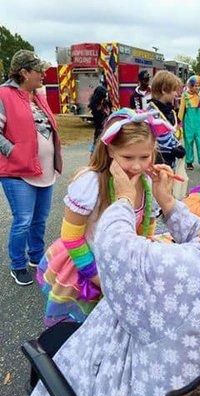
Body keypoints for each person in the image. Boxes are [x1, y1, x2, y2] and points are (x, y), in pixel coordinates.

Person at [30, 177, 200, 396]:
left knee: (53, 341)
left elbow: (117, 251)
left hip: (136, 384)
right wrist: (168, 203)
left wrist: (124, 198)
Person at [36, 108, 170, 326]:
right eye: (127, 157)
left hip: (121, 267)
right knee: (80, 326)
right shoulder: (91, 183)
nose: (137, 166)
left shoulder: (147, 184)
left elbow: (147, 229)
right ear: (110, 151)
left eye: (145, 157)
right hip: (87, 266)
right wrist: (100, 279)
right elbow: (71, 238)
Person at [0, 50, 62, 286]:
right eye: (39, 70)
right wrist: (12, 151)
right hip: (17, 171)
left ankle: (36, 257)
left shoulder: (38, 96)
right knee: (23, 219)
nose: (44, 74)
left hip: (43, 170)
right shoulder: (4, 94)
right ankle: (18, 264)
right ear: (24, 72)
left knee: (40, 218)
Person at [147, 70, 186, 169]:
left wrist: (178, 145)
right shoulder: (152, 112)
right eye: (174, 90)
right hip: (158, 162)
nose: (176, 94)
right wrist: (172, 150)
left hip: (170, 161)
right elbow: (154, 140)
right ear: (164, 90)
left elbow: (171, 135)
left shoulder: (169, 111)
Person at [178, 75, 200, 171]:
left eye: (198, 85)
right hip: (188, 123)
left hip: (199, 123)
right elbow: (182, 109)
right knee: (188, 142)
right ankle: (189, 162)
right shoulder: (185, 95)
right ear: (190, 86)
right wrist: (179, 123)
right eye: (194, 85)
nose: (196, 87)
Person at [88, 85, 112, 154]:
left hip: (108, 128)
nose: (106, 97)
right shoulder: (96, 107)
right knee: (97, 149)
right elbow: (99, 119)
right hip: (100, 130)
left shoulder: (106, 104)